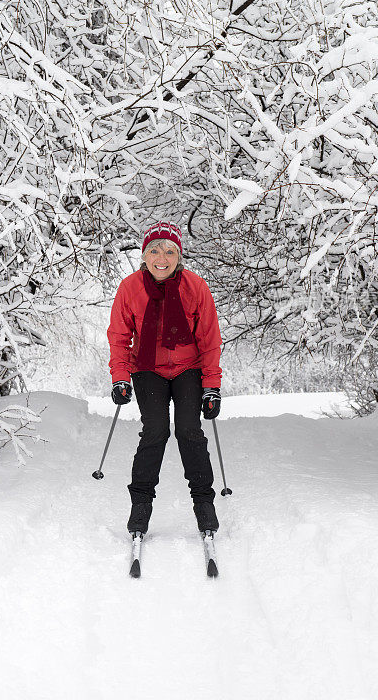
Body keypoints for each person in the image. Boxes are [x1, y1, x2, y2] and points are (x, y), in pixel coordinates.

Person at [107, 220, 222, 536]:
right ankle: (140, 510)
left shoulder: (195, 287)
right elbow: (119, 336)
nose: (162, 257)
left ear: (179, 255)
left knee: (189, 431)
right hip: (147, 369)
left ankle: (205, 507)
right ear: (144, 255)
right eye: (155, 250)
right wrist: (120, 378)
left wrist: (211, 387)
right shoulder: (130, 288)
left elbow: (210, 339)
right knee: (155, 431)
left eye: (170, 250)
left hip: (189, 369)